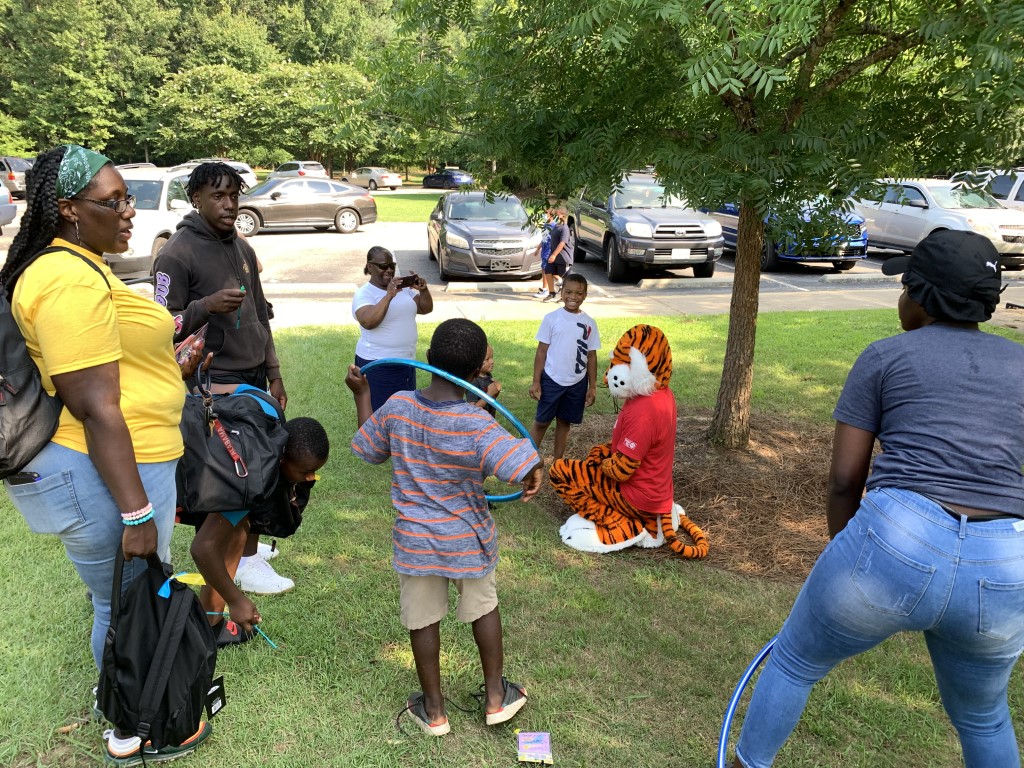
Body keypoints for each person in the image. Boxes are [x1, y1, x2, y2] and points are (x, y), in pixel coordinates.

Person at [732, 230, 1024, 768]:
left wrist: (848, 561)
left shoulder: (885, 356)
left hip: (898, 536)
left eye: (906, 285)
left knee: (794, 661)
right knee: (984, 717)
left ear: (921, 295)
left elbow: (845, 479)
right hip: (1005, 562)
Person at [0, 145, 212, 764]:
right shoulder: (64, 278)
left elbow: (108, 367)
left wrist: (168, 368)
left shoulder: (82, 264)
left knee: (128, 595)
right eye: (112, 201)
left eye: (127, 198)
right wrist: (137, 512)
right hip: (110, 470)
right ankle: (133, 723)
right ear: (67, 209)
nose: (128, 212)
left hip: (128, 460)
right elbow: (95, 404)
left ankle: (132, 707)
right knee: (125, 600)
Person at [346, 319, 543, 736]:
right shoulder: (476, 424)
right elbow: (518, 464)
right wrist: (534, 469)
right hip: (467, 539)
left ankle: (433, 710)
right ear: (478, 374)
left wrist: (362, 394)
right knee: (483, 606)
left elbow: (369, 445)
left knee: (422, 618)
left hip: (416, 541)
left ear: (429, 360)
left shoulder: (400, 405)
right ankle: (495, 698)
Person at [154, 161, 294, 596]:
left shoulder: (242, 248)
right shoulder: (176, 253)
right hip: (216, 383)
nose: (230, 204)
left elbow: (261, 314)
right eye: (219, 196)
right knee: (235, 476)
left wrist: (274, 373)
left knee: (265, 464)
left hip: (254, 376)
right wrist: (206, 305)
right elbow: (160, 325)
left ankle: (249, 549)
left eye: (234, 195)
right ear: (196, 199)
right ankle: (241, 560)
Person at [190, 416, 329, 647]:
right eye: (306, 470)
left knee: (239, 528)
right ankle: (205, 628)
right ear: (282, 459)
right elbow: (203, 548)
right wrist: (235, 600)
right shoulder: (251, 477)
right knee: (226, 535)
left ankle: (209, 624)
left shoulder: (266, 437)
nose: (311, 477)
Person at [352, 246, 433, 412]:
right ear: (370, 267)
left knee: (404, 412)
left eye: (392, 266)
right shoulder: (364, 293)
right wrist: (388, 295)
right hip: (378, 364)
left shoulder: (402, 290)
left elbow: (425, 308)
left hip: (405, 362)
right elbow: (368, 321)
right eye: (383, 266)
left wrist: (423, 291)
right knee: (381, 414)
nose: (389, 270)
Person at [529, 274, 600, 460]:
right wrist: (536, 381)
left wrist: (592, 386)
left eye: (578, 293)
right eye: (568, 292)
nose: (573, 297)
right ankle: (525, 462)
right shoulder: (552, 318)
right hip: (552, 380)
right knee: (541, 422)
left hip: (577, 383)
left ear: (585, 295)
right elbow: (541, 352)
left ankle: (558, 464)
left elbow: (591, 356)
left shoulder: (589, 323)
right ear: (561, 292)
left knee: (564, 422)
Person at [540, 209, 573, 302]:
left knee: (565, 279)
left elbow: (562, 243)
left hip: (564, 258)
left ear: (562, 216)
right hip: (553, 256)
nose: (554, 215)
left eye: (556, 214)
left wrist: (554, 255)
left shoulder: (564, 228)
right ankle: (552, 293)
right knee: (548, 271)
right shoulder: (556, 226)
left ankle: (565, 297)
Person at [465, 343, 501, 416]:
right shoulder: (474, 382)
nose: (492, 361)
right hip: (478, 424)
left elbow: (492, 399)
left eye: (492, 357)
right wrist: (489, 394)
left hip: (489, 419)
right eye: (487, 359)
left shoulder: (488, 375)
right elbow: (472, 411)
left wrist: (496, 391)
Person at [532, 209, 557, 299]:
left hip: (549, 251)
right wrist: (538, 249)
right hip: (544, 251)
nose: (544, 215)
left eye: (546, 213)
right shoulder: (545, 226)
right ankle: (545, 288)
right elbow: (544, 239)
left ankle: (547, 289)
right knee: (544, 269)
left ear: (551, 215)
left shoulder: (554, 226)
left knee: (546, 270)